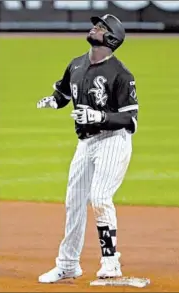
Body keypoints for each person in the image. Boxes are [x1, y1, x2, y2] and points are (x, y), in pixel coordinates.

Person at [37, 14, 139, 283]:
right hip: (85, 143)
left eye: (102, 27)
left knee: (101, 197)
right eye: (97, 24)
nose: (95, 28)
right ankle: (68, 264)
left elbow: (130, 119)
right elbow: (64, 94)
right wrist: (52, 101)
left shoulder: (121, 74)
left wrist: (99, 117)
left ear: (112, 39)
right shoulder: (76, 64)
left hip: (112, 140)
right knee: (74, 203)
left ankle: (111, 264)